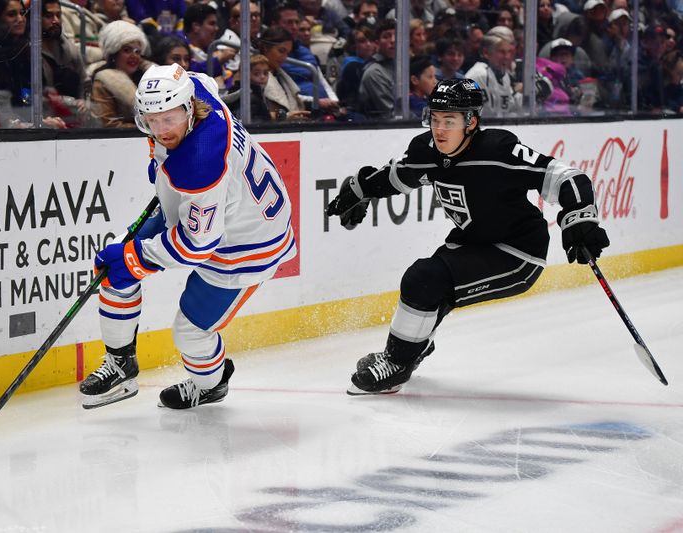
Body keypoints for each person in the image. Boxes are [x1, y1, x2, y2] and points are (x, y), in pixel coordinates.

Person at [325, 78, 609, 395]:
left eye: (450, 121)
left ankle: (397, 362)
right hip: (472, 241)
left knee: (424, 278)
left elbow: (567, 177)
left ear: (471, 122)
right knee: (430, 287)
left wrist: (580, 219)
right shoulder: (426, 151)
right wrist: (360, 189)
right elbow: (398, 175)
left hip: (517, 253)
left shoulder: (499, 150)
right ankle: (412, 348)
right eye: (434, 119)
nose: (439, 130)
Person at [79, 63, 297, 409]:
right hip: (222, 207)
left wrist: (136, 260)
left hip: (247, 241)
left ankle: (211, 385)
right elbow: (198, 78)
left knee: (190, 332)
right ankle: (121, 364)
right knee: (114, 262)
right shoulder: (195, 88)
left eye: (170, 119)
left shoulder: (200, 165)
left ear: (188, 109)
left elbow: (197, 246)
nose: (161, 130)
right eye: (152, 120)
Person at [88, 20, 151, 127]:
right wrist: (149, 129)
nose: (134, 56)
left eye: (137, 51)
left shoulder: (147, 77)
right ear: (113, 53)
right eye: (127, 50)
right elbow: (108, 125)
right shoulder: (102, 82)